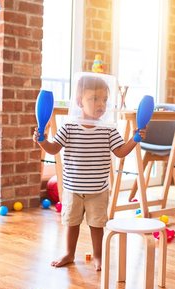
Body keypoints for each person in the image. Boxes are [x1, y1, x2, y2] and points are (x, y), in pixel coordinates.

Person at [33, 75, 146, 271]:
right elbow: (53, 149)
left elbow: (120, 152)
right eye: (94, 98)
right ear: (79, 102)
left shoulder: (108, 129)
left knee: (97, 225)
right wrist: (41, 140)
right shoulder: (68, 127)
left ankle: (98, 256)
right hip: (72, 188)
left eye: (104, 99)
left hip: (98, 189)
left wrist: (135, 139)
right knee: (72, 223)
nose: (100, 104)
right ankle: (69, 254)